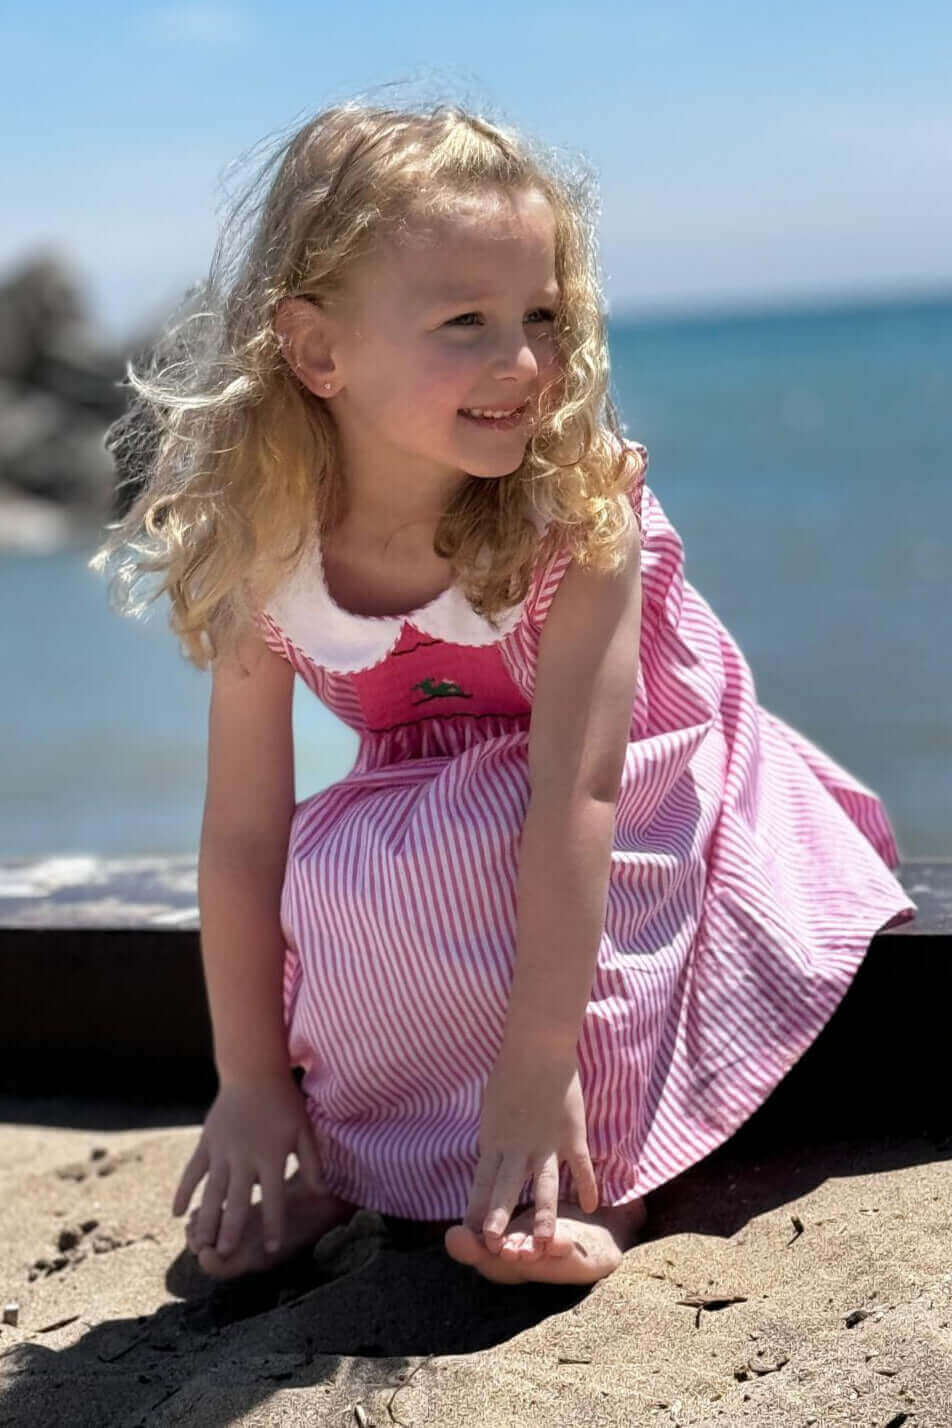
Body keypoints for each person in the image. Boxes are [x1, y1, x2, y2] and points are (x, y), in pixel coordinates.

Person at [91, 99, 917, 1289]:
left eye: (540, 316)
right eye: (463, 322)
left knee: (500, 856)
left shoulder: (575, 514)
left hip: (643, 768)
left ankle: (597, 1178)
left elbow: (582, 794)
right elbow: (240, 834)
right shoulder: (265, 544)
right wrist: (251, 1087)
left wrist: (536, 1077)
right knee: (342, 875)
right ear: (318, 351)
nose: (522, 363)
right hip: (453, 788)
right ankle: (343, 1156)